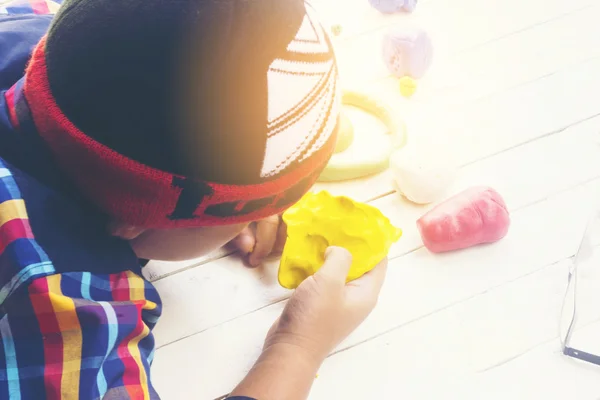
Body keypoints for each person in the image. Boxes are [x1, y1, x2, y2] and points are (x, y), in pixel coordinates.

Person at [0, 0, 388, 399]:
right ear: (137, 216)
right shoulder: (60, 300)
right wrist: (299, 347)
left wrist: (219, 209)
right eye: (243, 217)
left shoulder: (36, 36)